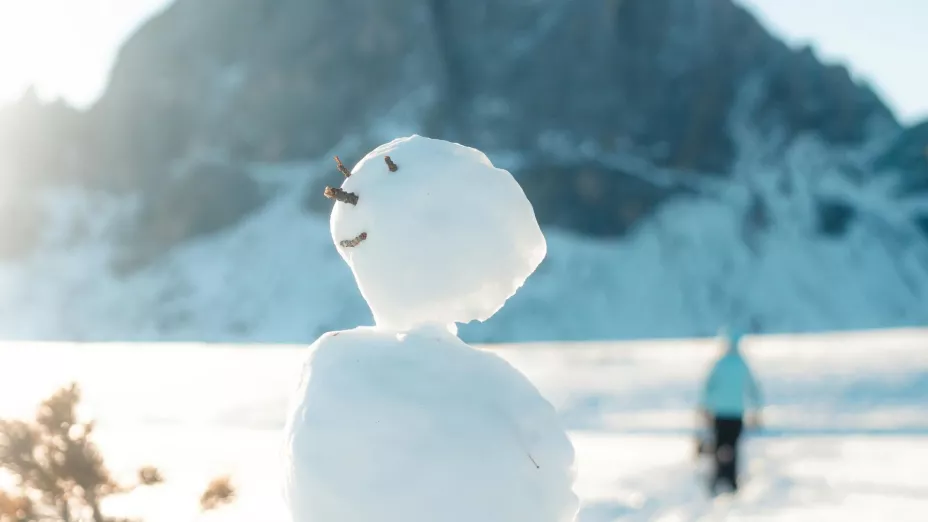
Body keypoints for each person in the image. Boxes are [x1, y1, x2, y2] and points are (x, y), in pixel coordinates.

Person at [698, 328, 762, 495]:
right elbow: (753, 388)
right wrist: (756, 409)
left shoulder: (719, 364)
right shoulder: (742, 364)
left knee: (719, 446)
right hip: (736, 413)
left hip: (719, 413)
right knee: (733, 447)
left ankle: (718, 477)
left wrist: (704, 407)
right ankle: (731, 480)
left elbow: (708, 387)